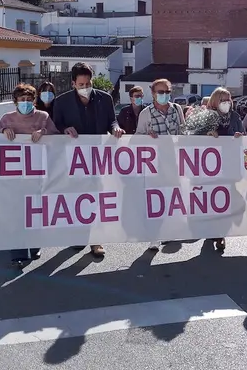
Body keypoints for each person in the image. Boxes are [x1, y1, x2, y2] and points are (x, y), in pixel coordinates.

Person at [53, 62, 125, 257]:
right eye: (81, 84)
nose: (85, 88)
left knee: (97, 199)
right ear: (73, 83)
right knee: (77, 199)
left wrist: (115, 128)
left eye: (88, 83)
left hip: (98, 158)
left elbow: (112, 119)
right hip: (74, 160)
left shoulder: (105, 98)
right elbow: (56, 124)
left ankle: (96, 240)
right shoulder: (61, 102)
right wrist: (64, 129)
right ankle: (78, 236)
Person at [0, 84, 59, 269]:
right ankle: (18, 253)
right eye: (22, 100)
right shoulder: (7, 118)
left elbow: (57, 137)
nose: (25, 103)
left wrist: (44, 133)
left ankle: (35, 245)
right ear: (15, 101)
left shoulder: (43, 117)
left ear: (34, 100)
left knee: (35, 211)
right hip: (15, 175)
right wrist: (2, 132)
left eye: (29, 100)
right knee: (16, 213)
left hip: (37, 174)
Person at [136, 79, 186, 251]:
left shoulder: (177, 109)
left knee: (172, 199)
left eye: (166, 91)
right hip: (154, 166)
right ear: (153, 93)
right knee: (156, 200)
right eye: (160, 92)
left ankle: (169, 232)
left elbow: (183, 131)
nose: (163, 95)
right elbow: (135, 139)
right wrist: (146, 138)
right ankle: (154, 237)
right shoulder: (145, 114)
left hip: (174, 162)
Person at [205, 87, 244, 250]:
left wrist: (238, 136)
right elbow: (189, 135)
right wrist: (206, 134)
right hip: (209, 167)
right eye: (222, 99)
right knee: (210, 200)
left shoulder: (235, 116)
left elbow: (242, 134)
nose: (226, 102)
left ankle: (221, 234)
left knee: (225, 201)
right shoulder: (205, 116)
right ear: (215, 101)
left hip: (229, 166)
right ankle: (210, 230)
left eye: (228, 99)